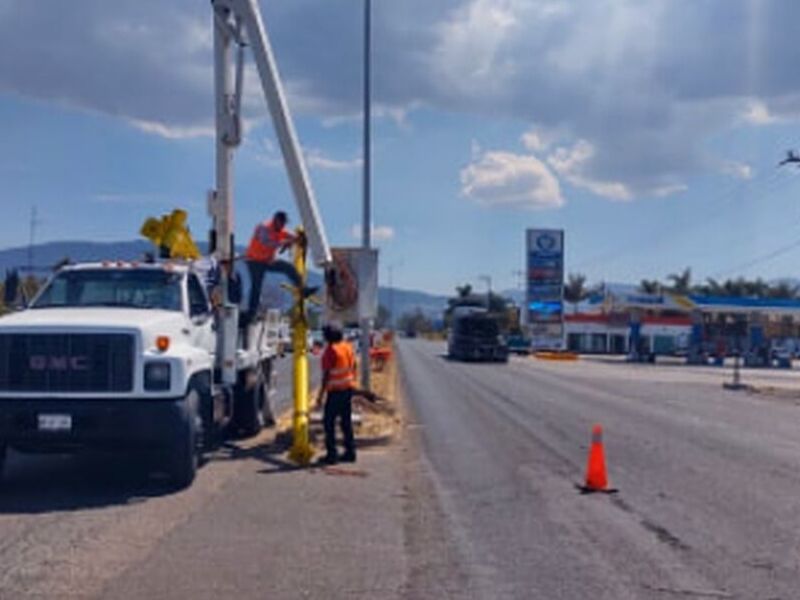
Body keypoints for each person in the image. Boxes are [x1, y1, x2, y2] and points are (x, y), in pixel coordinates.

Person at [244, 211, 317, 317]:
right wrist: (283, 243)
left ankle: (303, 290)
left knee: (288, 268)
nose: (283, 225)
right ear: (275, 220)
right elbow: (266, 242)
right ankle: (251, 313)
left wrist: (299, 238)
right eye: (281, 223)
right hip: (254, 261)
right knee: (256, 287)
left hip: (267, 261)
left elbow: (291, 237)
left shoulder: (280, 231)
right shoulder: (263, 228)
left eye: (284, 223)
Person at [316, 324, 358, 464]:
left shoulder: (330, 351)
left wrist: (320, 396)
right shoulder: (347, 347)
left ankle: (332, 455)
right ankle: (350, 452)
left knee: (329, 423)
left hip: (335, 393)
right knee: (346, 423)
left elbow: (326, 375)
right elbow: (354, 365)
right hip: (347, 390)